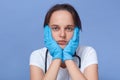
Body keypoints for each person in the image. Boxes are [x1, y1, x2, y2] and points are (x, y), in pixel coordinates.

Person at [30, 3, 98, 80]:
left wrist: (68, 58)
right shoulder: (38, 55)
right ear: (47, 31)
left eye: (68, 28)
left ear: (76, 31)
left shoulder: (88, 53)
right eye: (55, 28)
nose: (62, 35)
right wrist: (57, 57)